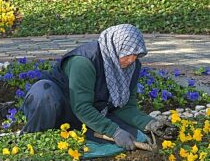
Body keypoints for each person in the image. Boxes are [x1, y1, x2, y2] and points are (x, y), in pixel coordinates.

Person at [22, 24, 167, 151]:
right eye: (127, 54)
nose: (131, 60)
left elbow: (125, 107)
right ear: (115, 48)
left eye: (136, 55)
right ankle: (35, 139)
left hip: (91, 114)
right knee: (43, 91)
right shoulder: (85, 61)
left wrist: (150, 123)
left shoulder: (131, 67)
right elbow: (81, 106)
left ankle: (79, 132)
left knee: (136, 135)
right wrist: (113, 131)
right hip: (59, 108)